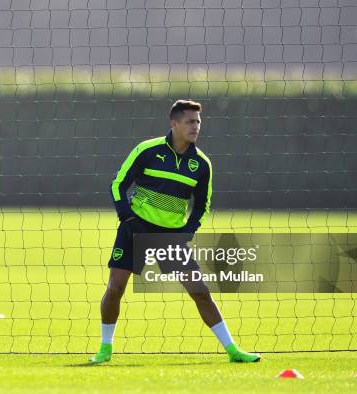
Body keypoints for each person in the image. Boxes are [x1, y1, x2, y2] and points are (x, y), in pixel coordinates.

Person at [89, 99, 260, 364]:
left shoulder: (202, 165)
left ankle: (233, 351)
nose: (196, 127)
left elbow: (202, 205)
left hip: (170, 236)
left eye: (198, 122)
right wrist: (127, 218)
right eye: (191, 122)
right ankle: (105, 349)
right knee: (115, 288)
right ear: (175, 124)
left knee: (200, 291)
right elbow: (118, 185)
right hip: (135, 228)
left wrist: (188, 230)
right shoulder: (147, 150)